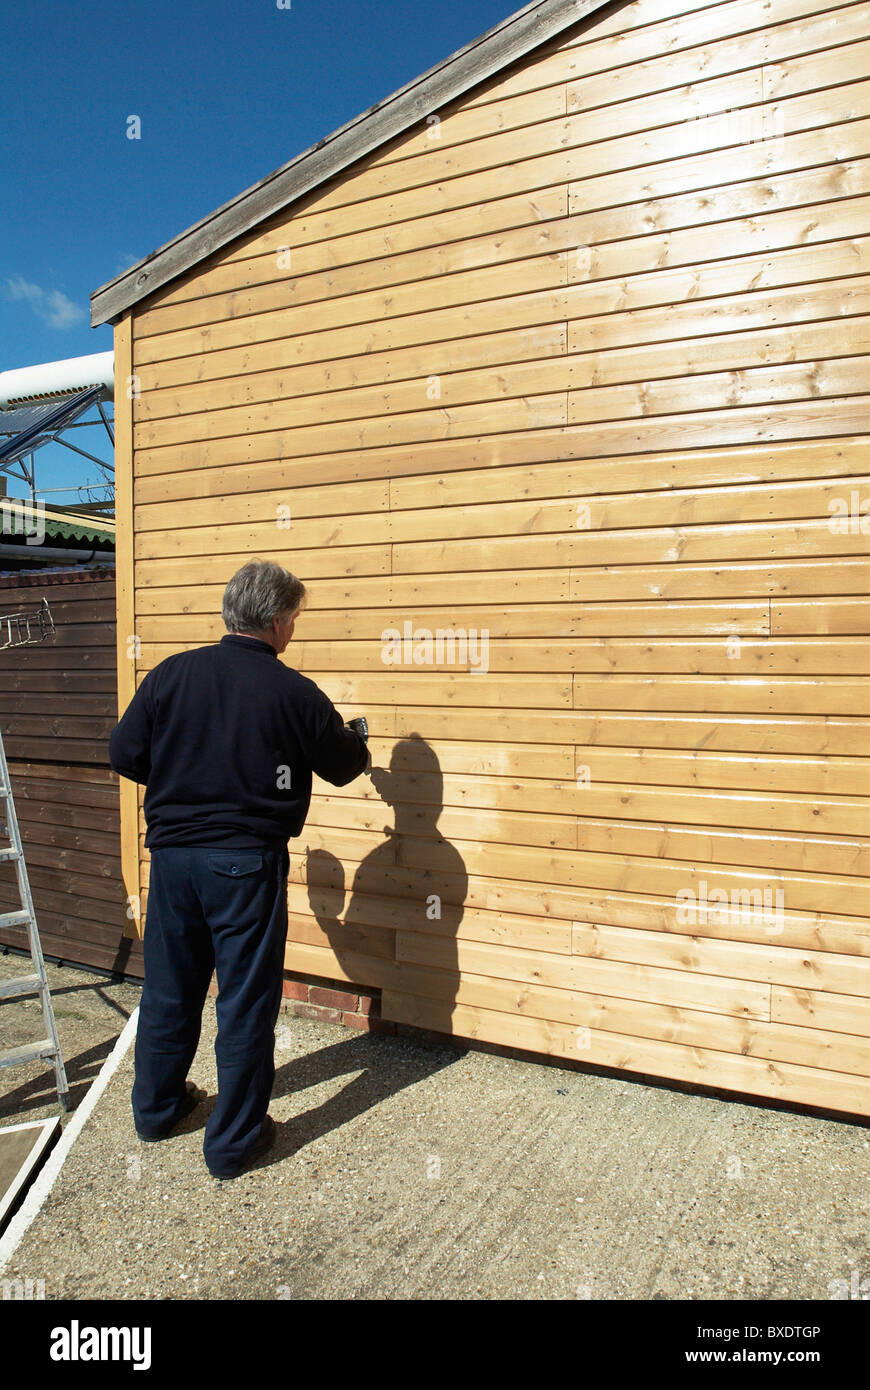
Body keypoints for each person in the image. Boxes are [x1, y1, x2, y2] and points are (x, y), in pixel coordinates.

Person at [108, 559, 369, 1178]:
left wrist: (186, 781)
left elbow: (123, 752)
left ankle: (158, 1110)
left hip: (172, 862)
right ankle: (232, 1145)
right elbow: (343, 765)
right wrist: (356, 738)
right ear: (277, 621)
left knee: (170, 990)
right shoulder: (292, 691)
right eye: (294, 620)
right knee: (246, 1003)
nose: (294, 631)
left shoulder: (172, 673)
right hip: (245, 868)